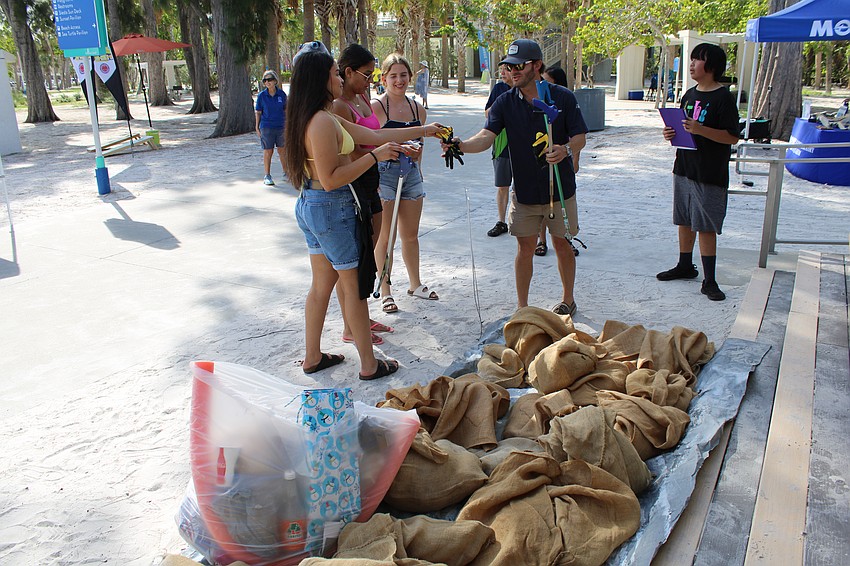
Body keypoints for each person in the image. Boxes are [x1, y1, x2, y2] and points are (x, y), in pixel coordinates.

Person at [282, 41, 444, 379]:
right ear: (319, 79)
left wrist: (424, 130)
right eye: (332, 73)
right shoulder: (323, 122)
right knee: (354, 289)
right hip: (330, 207)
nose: (338, 78)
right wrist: (375, 156)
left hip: (312, 207)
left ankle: (313, 356)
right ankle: (369, 365)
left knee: (322, 285)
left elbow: (374, 133)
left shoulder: (317, 117)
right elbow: (330, 179)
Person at [441, 39, 587, 315]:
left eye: (519, 66)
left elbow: (580, 136)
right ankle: (522, 307)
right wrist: (460, 145)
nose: (513, 71)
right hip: (525, 192)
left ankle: (569, 299)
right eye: (509, 66)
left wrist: (565, 149)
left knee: (562, 244)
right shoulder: (504, 102)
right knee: (525, 247)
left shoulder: (562, 97)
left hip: (560, 188)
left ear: (537, 65)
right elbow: (485, 137)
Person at [658, 43, 740, 302]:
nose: (691, 64)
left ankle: (710, 279)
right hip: (684, 166)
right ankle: (685, 265)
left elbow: (732, 137)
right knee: (683, 219)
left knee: (705, 225)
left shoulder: (723, 98)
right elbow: (684, 128)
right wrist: (670, 133)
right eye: (691, 59)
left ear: (712, 66)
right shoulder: (689, 94)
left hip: (709, 171)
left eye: (697, 60)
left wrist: (700, 129)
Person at [331, 44, 393, 346]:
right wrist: (379, 153)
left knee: (369, 253)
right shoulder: (339, 106)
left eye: (373, 75)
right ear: (347, 72)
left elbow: (376, 137)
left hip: (372, 177)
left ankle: (361, 317)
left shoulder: (363, 96)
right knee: (354, 264)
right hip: (356, 180)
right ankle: (350, 326)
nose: (371, 81)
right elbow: (356, 148)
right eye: (367, 75)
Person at [371, 54, 436, 314]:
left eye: (403, 75)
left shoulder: (417, 108)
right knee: (385, 236)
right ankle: (385, 288)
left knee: (410, 234)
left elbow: (421, 147)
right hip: (385, 175)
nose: (399, 80)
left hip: (411, 176)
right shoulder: (377, 107)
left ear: (410, 77)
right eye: (393, 75)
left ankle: (415, 283)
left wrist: (416, 159)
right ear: (384, 78)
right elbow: (373, 142)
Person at [537, 66, 581, 258]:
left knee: (559, 206)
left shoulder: (565, 100)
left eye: (549, 82)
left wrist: (571, 155)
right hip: (539, 169)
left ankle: (566, 240)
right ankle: (542, 240)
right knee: (541, 206)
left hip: (561, 168)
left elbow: (577, 136)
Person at [486, 63, 512, 238]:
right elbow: (487, 112)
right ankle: (502, 222)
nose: (502, 72)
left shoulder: (528, 89)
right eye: (501, 69)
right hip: (502, 142)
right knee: (503, 185)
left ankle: (519, 222)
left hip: (525, 144)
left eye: (506, 69)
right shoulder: (499, 89)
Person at [255, 70, 287, 186]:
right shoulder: (262, 96)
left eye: (269, 80)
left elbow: (286, 110)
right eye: (265, 80)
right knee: (268, 151)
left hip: (281, 126)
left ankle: (286, 173)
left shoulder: (282, 95)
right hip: (267, 127)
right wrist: (257, 127)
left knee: (282, 150)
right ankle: (267, 175)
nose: (267, 82)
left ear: (275, 81)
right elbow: (258, 112)